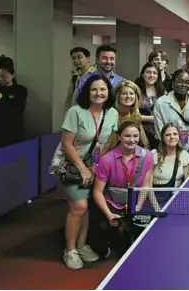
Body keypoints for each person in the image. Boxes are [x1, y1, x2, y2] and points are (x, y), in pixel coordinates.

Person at [50, 74, 118, 269]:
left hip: (93, 166)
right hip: (70, 165)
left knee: (86, 206)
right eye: (94, 89)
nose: (99, 93)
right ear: (87, 92)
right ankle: (69, 250)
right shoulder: (75, 111)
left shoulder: (111, 113)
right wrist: (83, 169)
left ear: (108, 92)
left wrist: (95, 167)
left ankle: (81, 245)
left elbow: (108, 142)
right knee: (78, 207)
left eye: (103, 89)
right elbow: (67, 144)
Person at [91, 121, 155, 257]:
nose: (132, 140)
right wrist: (108, 214)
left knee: (135, 242)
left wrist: (137, 207)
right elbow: (97, 191)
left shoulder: (147, 156)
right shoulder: (107, 159)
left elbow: (146, 186)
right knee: (100, 247)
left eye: (135, 136)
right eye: (127, 136)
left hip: (135, 200)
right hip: (112, 201)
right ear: (119, 136)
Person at [153, 69, 189, 154]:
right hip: (167, 143)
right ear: (173, 83)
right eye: (180, 81)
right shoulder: (161, 102)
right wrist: (171, 144)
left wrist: (185, 145)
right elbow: (160, 128)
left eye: (187, 82)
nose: (184, 85)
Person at [152, 123, 189, 204]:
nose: (172, 137)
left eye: (175, 134)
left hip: (176, 199)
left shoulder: (184, 155)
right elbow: (147, 186)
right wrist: (155, 207)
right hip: (156, 199)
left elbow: (187, 183)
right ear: (162, 138)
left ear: (179, 137)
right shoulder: (153, 155)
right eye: (168, 135)